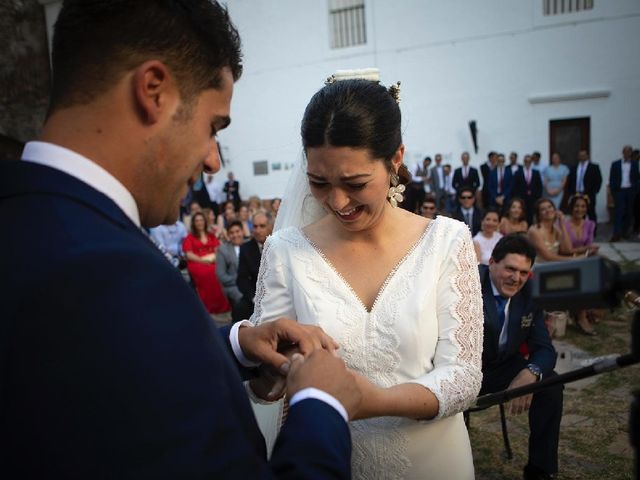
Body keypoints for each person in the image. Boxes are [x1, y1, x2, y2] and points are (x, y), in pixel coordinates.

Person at [0, 1, 362, 477]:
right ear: (153, 91)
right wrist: (320, 404)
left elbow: (98, 369)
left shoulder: (24, 216)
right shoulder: (116, 276)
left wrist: (234, 345)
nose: (213, 161)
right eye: (213, 127)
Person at [251, 70, 484, 479]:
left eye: (355, 182)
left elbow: (464, 376)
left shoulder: (447, 240)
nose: (337, 201)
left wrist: (368, 400)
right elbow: (266, 383)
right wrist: (273, 372)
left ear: (395, 159)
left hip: (434, 461)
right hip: (336, 460)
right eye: (318, 183)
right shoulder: (285, 252)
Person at [479, 234, 563, 480]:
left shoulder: (530, 295)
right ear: (492, 261)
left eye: (524, 272)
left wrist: (532, 372)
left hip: (504, 366)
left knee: (551, 384)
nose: (516, 279)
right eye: (510, 269)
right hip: (464, 368)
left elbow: (544, 347)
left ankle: (540, 470)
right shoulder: (467, 282)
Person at [183, 211, 231, 316]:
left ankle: (221, 306)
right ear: (193, 223)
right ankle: (208, 307)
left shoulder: (211, 235)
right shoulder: (189, 237)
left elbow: (218, 248)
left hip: (213, 260)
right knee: (207, 273)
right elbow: (189, 254)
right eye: (197, 221)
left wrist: (215, 257)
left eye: (201, 220)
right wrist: (203, 260)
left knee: (218, 271)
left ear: (205, 222)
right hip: (197, 262)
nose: (199, 223)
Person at [235, 211, 272, 321]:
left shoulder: (278, 245)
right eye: (255, 226)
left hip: (277, 293)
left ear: (270, 227)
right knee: (239, 309)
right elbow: (242, 279)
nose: (258, 230)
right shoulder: (245, 249)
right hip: (255, 295)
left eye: (262, 226)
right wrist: (254, 298)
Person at [609, 145, 639, 242]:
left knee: (629, 212)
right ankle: (616, 233)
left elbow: (636, 178)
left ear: (631, 153)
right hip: (619, 190)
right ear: (623, 153)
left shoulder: (635, 164)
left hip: (630, 190)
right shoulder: (616, 164)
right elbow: (612, 178)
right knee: (619, 212)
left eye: (629, 152)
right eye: (625, 152)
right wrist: (613, 190)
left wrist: (635, 190)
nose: (627, 154)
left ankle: (625, 232)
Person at [566, 149, 602, 224]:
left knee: (591, 213)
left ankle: (592, 232)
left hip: (589, 194)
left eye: (583, 155)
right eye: (580, 155)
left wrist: (594, 191)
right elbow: (570, 180)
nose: (582, 157)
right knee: (577, 213)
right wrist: (571, 192)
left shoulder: (594, 167)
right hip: (576, 193)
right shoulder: (574, 167)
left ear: (587, 156)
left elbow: (598, 180)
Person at [216, 220, 246, 307]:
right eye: (232, 233)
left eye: (237, 231)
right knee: (244, 301)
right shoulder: (223, 250)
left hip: (252, 286)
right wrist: (240, 281)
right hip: (233, 286)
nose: (235, 235)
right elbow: (221, 275)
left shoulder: (250, 245)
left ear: (242, 231)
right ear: (228, 235)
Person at [512, 154, 543, 225]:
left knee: (531, 215)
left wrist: (538, 197)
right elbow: (515, 186)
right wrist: (517, 198)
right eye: (526, 161)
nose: (527, 163)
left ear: (531, 162)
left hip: (533, 198)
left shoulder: (536, 172)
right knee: (521, 214)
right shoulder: (518, 172)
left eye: (529, 161)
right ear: (524, 162)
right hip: (522, 198)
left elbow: (539, 186)